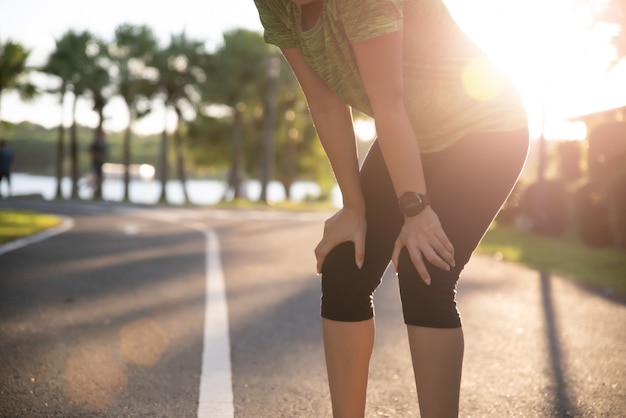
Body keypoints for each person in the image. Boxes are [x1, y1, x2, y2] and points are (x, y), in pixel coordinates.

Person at [253, 0, 529, 416]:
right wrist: (353, 208)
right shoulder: (274, 4)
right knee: (345, 265)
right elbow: (326, 105)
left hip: (483, 132)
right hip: (410, 132)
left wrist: (415, 212)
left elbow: (389, 101)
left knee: (425, 271)